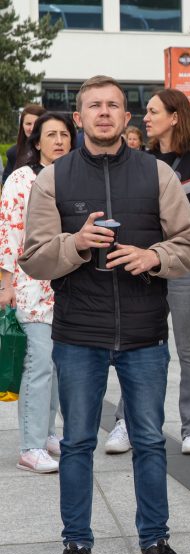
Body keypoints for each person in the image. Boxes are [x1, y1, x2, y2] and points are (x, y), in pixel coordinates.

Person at [19, 75, 190, 554]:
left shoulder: (157, 174)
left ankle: (155, 544)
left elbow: (188, 242)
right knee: (77, 443)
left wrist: (153, 257)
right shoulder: (52, 180)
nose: (104, 113)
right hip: (79, 333)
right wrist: (75, 243)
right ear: (79, 119)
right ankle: (76, 547)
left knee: (149, 441)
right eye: (94, 106)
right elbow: (33, 258)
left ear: (127, 118)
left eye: (114, 106)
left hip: (145, 332)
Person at [105, 89, 190, 456]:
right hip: (147, 268)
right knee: (138, 346)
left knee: (189, 349)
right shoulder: (143, 160)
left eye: (154, 111)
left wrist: (158, 235)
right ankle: (127, 422)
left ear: (175, 117)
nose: (147, 117)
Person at [0, 112, 75, 473]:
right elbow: (8, 233)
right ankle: (30, 446)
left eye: (65, 134)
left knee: (58, 366)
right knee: (38, 363)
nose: (59, 141)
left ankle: (47, 433)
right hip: (31, 286)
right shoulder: (21, 179)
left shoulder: (76, 177)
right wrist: (5, 283)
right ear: (36, 142)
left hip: (69, 287)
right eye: (51, 135)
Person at [3, 104, 46, 184]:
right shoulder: (13, 153)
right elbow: (6, 183)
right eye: (28, 124)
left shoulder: (56, 151)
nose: (32, 128)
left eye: (37, 123)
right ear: (22, 126)